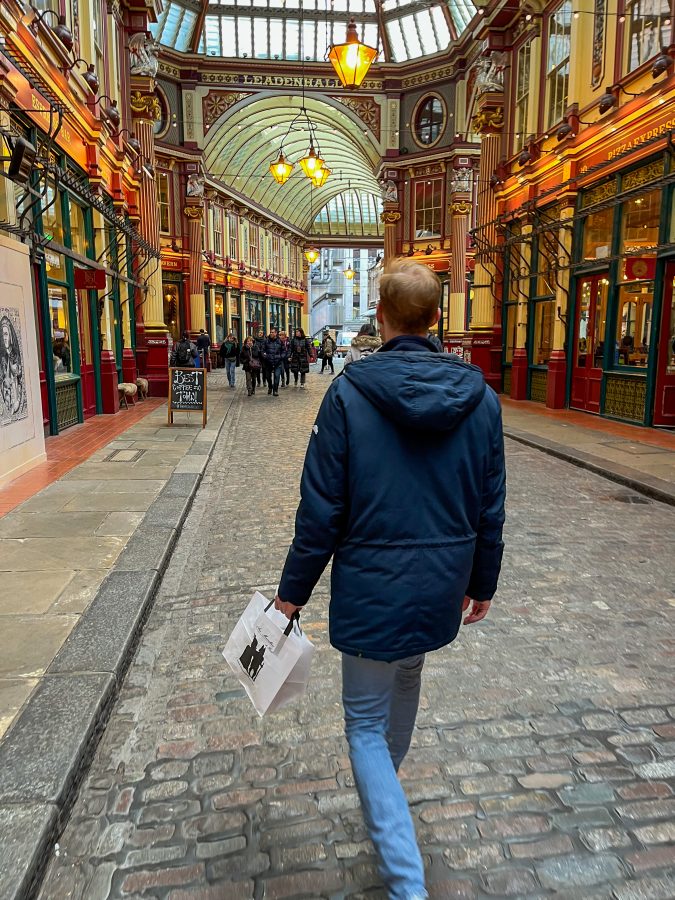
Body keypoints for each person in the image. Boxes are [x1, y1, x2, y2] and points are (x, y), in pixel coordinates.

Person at [274, 260, 506, 900]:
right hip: (440, 582)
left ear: (380, 316)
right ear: (436, 319)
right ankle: (386, 798)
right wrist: (483, 581)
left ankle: (406, 882)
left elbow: (321, 511)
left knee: (364, 726)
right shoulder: (479, 398)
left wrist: (291, 593)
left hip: (374, 587)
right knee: (406, 678)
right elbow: (491, 504)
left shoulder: (349, 396)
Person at [262, 327, 287, 397]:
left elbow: (284, 351)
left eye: (273, 332)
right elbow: (262, 350)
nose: (271, 333)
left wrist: (281, 356)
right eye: (271, 332)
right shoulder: (266, 341)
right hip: (268, 362)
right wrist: (265, 356)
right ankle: (270, 386)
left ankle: (275, 390)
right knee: (268, 377)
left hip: (277, 362)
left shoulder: (279, 341)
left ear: (276, 333)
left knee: (277, 376)